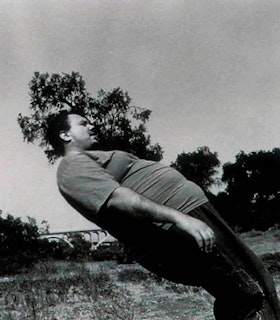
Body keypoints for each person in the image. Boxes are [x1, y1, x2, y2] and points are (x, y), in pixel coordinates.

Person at [46, 111, 280, 320]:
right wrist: (179, 218)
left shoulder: (89, 160)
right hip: (177, 223)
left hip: (188, 213)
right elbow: (118, 199)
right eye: (83, 123)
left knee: (242, 293)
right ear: (66, 135)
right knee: (252, 292)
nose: (92, 125)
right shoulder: (72, 168)